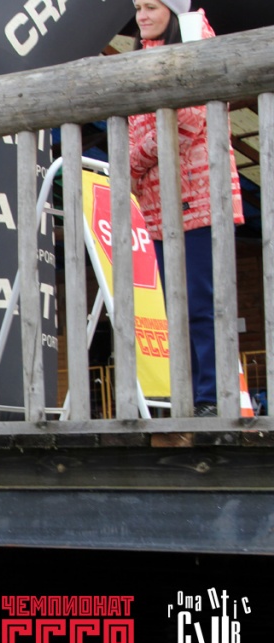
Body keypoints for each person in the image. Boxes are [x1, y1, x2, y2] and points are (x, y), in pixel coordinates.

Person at [128, 1, 244, 417]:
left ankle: (212, 396)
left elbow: (188, 118)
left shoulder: (195, 39)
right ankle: (191, 396)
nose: (142, 15)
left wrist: (133, 160)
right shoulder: (142, 56)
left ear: (173, 11)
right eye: (137, 7)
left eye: (151, 6)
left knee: (201, 303)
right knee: (176, 306)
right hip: (161, 204)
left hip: (201, 199)